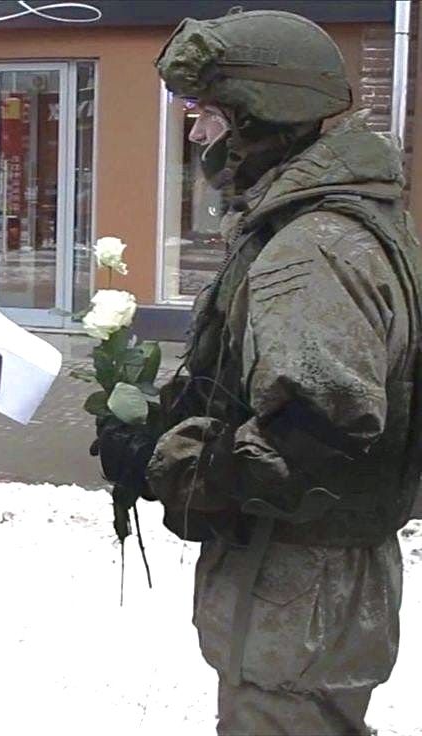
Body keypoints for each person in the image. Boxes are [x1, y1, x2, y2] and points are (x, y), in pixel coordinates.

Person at [96, 8, 422, 736]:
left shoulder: (312, 249)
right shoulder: (326, 224)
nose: (194, 133)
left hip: (296, 592)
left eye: (205, 112)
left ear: (260, 116)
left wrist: (165, 463)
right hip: (306, 590)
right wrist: (166, 421)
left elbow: (314, 438)